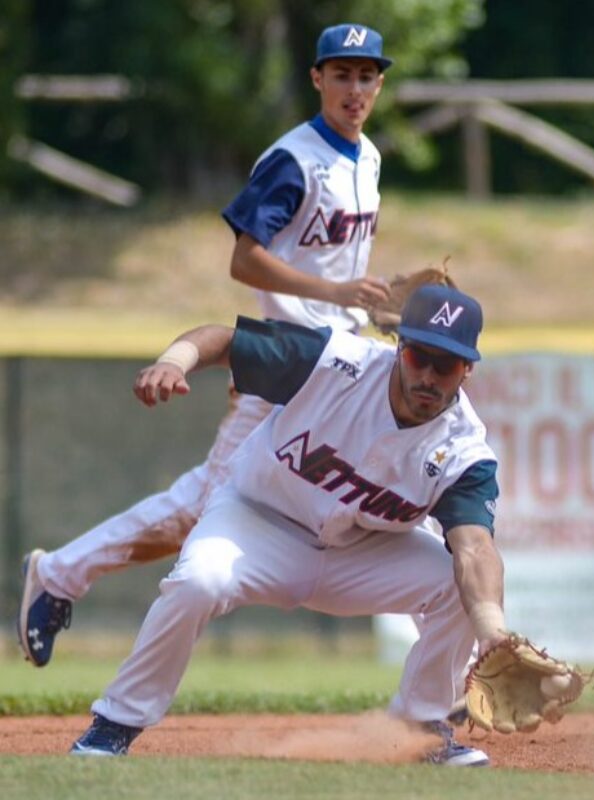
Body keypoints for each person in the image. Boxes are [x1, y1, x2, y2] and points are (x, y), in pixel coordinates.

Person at [18, 22, 393, 667]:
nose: (354, 88)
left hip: (336, 361)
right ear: (317, 79)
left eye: (366, 75)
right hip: (283, 359)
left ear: (379, 82)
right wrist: (337, 297)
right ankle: (58, 575)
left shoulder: (370, 157)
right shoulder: (294, 159)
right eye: (341, 74)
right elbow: (245, 262)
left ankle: (61, 574)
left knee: (359, 473)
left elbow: (335, 269)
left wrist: (376, 300)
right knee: (201, 509)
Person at [69, 284, 505, 767]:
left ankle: (420, 732)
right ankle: (114, 725)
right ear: (399, 348)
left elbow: (474, 550)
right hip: (257, 521)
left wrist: (493, 633)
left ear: (467, 370)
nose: (426, 374)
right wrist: (174, 361)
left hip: (361, 555)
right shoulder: (337, 363)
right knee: (198, 582)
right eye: (418, 356)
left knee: (457, 583)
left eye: (444, 364)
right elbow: (223, 338)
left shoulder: (465, 450)